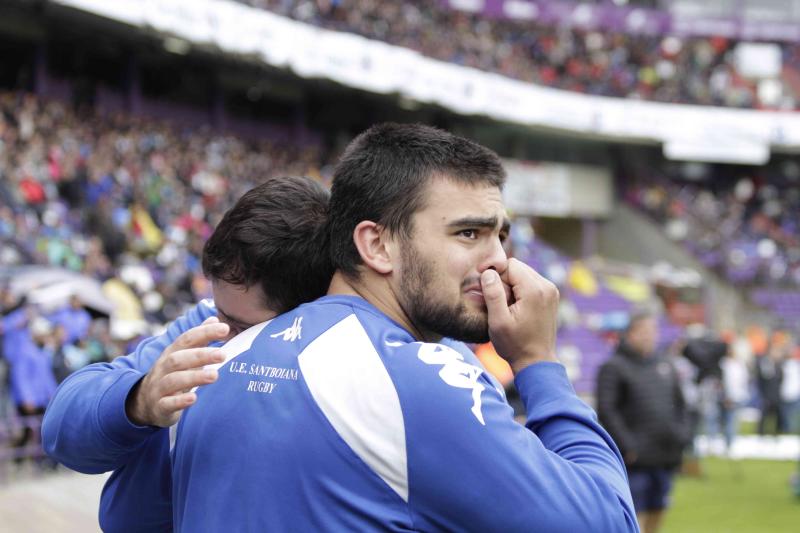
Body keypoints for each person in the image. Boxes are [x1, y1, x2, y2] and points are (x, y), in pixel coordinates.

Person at [172, 123, 637, 532]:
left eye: (501, 235)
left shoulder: (214, 363)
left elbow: (128, 516)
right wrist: (538, 361)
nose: (498, 259)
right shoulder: (415, 381)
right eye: (468, 233)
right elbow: (610, 521)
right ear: (377, 245)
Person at [42, 176, 334, 532]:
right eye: (219, 312)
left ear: (306, 312)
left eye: (240, 326)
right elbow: (62, 429)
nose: (222, 331)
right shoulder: (207, 325)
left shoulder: (339, 372)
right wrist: (137, 401)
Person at [596, 311, 689, 533]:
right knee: (633, 512)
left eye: (653, 331)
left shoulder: (665, 364)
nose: (650, 336)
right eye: (644, 331)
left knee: (659, 506)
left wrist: (682, 435)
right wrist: (628, 445)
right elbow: (607, 410)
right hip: (635, 458)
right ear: (630, 334)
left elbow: (681, 404)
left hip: (665, 454)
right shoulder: (613, 366)